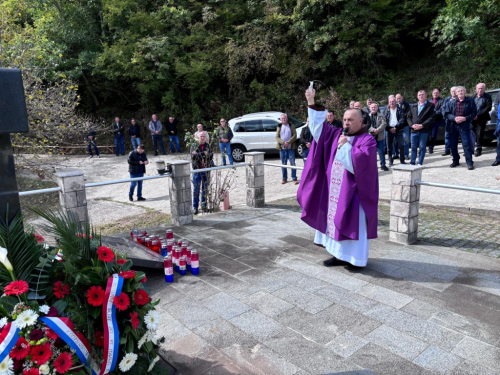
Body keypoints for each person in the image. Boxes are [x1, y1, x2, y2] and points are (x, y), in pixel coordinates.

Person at [298, 87, 378, 268]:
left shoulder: (368, 140)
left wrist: (346, 147)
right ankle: (338, 255)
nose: (346, 123)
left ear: (360, 121)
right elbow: (319, 130)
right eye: (345, 119)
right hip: (335, 190)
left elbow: (361, 166)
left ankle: (356, 260)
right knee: (334, 221)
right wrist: (311, 101)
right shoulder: (337, 135)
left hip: (355, 195)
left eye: (350, 120)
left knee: (352, 224)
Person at [444, 86, 477, 170]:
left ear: (465, 91)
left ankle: (469, 162)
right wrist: (454, 118)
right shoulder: (451, 102)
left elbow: (474, 113)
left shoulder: (470, 101)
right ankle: (455, 160)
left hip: (464, 125)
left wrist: (465, 118)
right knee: (453, 144)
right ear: (456, 93)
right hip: (453, 126)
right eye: (458, 91)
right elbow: (446, 114)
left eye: (462, 91)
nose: (460, 92)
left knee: (466, 144)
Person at [407, 90, 435, 165]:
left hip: (424, 130)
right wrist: (412, 125)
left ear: (426, 95)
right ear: (417, 96)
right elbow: (408, 117)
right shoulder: (413, 106)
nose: (421, 96)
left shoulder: (430, 106)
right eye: (419, 95)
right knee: (413, 147)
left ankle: (420, 162)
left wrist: (422, 125)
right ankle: (412, 162)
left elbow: (432, 118)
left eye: (422, 95)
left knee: (422, 147)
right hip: (414, 130)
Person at [191, 131, 213, 215]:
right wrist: (203, 153)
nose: (203, 138)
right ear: (197, 137)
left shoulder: (208, 146)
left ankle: (204, 206)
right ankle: (195, 207)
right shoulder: (194, 146)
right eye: (201, 136)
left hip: (206, 171)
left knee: (205, 190)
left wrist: (198, 154)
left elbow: (211, 156)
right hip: (197, 171)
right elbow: (193, 156)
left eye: (204, 136)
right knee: (196, 190)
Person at [276, 113, 299, 185]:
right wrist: (283, 143)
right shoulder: (279, 126)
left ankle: (294, 178)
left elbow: (295, 135)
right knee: (283, 164)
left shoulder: (291, 126)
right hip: (282, 149)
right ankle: (284, 178)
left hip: (290, 148)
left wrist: (288, 142)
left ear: (287, 118)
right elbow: (277, 137)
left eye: (284, 118)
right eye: (282, 119)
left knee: (292, 163)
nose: (283, 119)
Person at [384, 96, 406, 166]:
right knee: (389, 146)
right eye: (390, 102)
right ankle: (390, 161)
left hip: (398, 130)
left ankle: (402, 160)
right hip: (389, 130)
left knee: (402, 145)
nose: (391, 103)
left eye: (393, 101)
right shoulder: (386, 110)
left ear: (395, 102)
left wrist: (396, 128)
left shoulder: (400, 110)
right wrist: (389, 128)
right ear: (388, 103)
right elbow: (384, 121)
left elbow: (402, 120)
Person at [471, 83, 493, 157]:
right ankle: (471, 149)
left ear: (484, 89)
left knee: (479, 134)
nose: (480, 90)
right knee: (472, 134)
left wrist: (478, 115)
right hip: (472, 119)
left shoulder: (487, 97)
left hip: (482, 118)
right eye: (479, 88)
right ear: (476, 89)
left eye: (481, 88)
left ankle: (479, 149)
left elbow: (488, 108)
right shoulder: (472, 97)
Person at [368, 103, 388, 171]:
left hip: (379, 136)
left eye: (374, 107)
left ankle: (383, 165)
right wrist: (373, 130)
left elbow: (384, 123)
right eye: (372, 107)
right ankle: (372, 166)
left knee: (381, 151)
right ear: (369, 108)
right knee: (371, 153)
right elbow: (367, 125)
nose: (373, 108)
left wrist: (378, 130)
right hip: (371, 137)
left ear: (377, 108)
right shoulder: (368, 116)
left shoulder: (381, 115)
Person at [427, 88, 445, 154]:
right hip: (428, 121)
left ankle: (431, 147)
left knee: (433, 134)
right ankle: (424, 147)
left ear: (439, 93)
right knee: (427, 134)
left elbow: (441, 110)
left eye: (437, 92)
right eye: (434, 92)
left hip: (437, 120)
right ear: (432, 93)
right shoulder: (428, 100)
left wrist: (433, 114)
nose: (435, 93)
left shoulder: (442, 100)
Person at [441, 87, 457, 156]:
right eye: (452, 91)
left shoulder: (459, 99)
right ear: (450, 92)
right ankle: (447, 150)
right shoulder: (447, 99)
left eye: (455, 91)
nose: (453, 92)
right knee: (447, 136)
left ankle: (453, 151)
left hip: (456, 120)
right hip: (448, 120)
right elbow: (443, 109)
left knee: (455, 137)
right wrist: (445, 115)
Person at [395, 93, 411, 159]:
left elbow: (408, 114)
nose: (398, 99)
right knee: (396, 141)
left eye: (399, 98)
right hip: (397, 126)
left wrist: (400, 118)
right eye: (397, 98)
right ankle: (396, 154)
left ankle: (406, 154)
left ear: (402, 97)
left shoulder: (406, 104)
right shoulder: (394, 105)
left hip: (405, 125)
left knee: (406, 140)